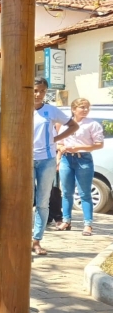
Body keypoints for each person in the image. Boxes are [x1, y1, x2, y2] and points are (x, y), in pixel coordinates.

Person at [31, 78, 79, 254]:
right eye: (35, 90)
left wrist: (56, 139)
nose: (39, 94)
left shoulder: (51, 110)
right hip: (26, 160)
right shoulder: (21, 108)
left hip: (47, 160)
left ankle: (37, 241)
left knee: (43, 202)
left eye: (43, 91)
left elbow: (73, 125)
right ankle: (21, 239)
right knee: (25, 201)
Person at [57, 98, 104, 236]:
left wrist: (78, 147)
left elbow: (99, 144)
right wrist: (60, 151)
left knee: (84, 193)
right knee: (66, 192)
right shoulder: (65, 124)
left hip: (83, 159)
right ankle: (66, 221)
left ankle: (88, 224)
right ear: (73, 109)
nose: (85, 110)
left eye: (87, 107)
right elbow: (59, 143)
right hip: (66, 159)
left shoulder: (92, 124)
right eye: (82, 107)